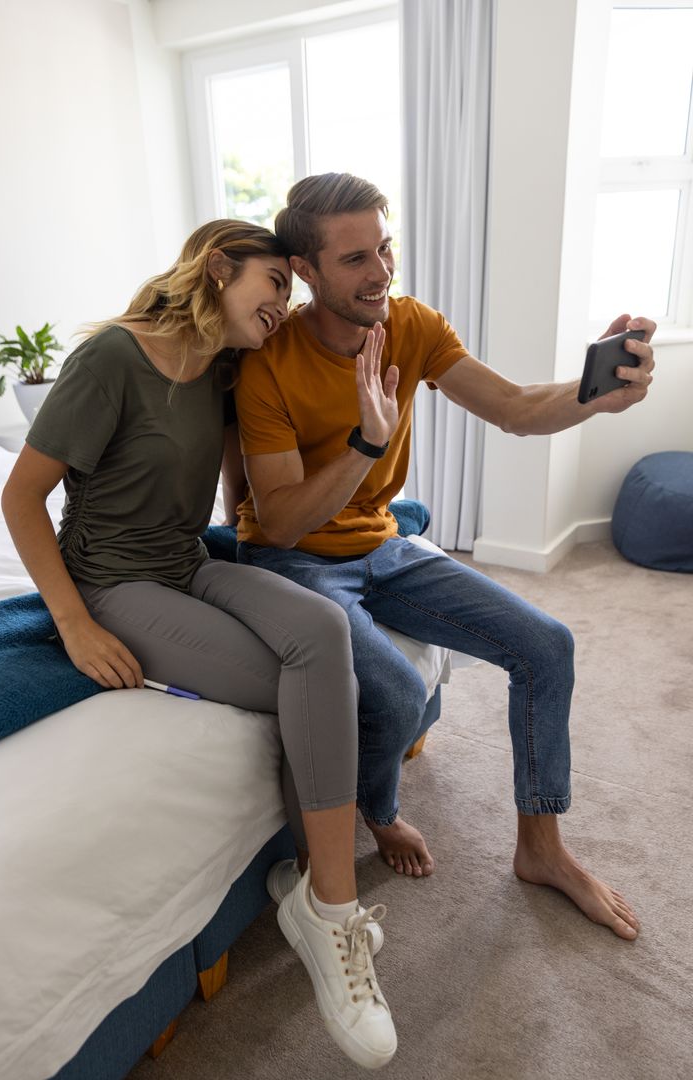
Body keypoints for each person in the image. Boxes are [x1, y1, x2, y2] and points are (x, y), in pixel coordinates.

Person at [0, 220, 397, 1070]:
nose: (283, 304)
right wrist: (75, 623)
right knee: (298, 682)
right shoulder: (111, 359)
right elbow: (20, 498)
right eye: (274, 284)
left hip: (188, 561)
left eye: (290, 291)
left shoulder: (223, 365)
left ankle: (313, 894)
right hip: (113, 583)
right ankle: (333, 913)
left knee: (322, 631)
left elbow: (241, 488)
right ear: (217, 269)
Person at [234, 173, 656, 941]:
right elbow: (283, 522)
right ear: (304, 269)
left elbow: (516, 408)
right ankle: (381, 813)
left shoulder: (411, 324)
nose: (382, 272)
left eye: (385, 248)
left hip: (381, 543)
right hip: (293, 563)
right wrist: (367, 442)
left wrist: (595, 394)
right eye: (356, 259)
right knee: (396, 694)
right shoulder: (268, 364)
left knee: (547, 646)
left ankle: (542, 849)